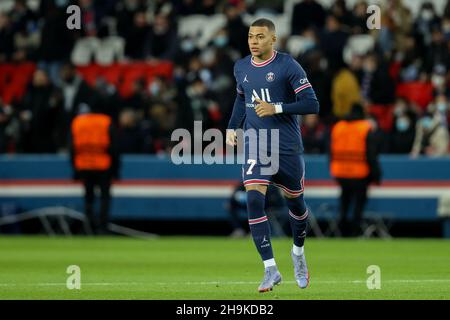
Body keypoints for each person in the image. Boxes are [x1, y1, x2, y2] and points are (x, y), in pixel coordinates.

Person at [226, 19, 320, 292]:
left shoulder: (288, 65)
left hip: (287, 146)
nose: (253, 41)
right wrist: (232, 127)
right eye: (250, 36)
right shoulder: (241, 67)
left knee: (296, 205)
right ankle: (270, 269)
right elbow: (240, 100)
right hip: (256, 144)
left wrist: (277, 108)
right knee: (253, 200)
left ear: (273, 40)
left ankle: (298, 253)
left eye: (260, 37)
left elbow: (312, 104)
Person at [329, 103, 381, 237]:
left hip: (340, 172)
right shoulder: (365, 128)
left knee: (344, 203)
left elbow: (330, 151)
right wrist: (377, 175)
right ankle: (354, 232)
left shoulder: (338, 127)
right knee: (358, 205)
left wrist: (333, 168)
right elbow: (371, 154)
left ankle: (341, 232)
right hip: (359, 173)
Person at [70, 104, 120, 235]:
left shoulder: (78, 122)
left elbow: (72, 147)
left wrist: (75, 168)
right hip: (103, 165)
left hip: (84, 165)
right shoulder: (106, 121)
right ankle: (103, 227)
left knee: (88, 197)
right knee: (104, 197)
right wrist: (116, 169)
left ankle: (88, 227)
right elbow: (114, 146)